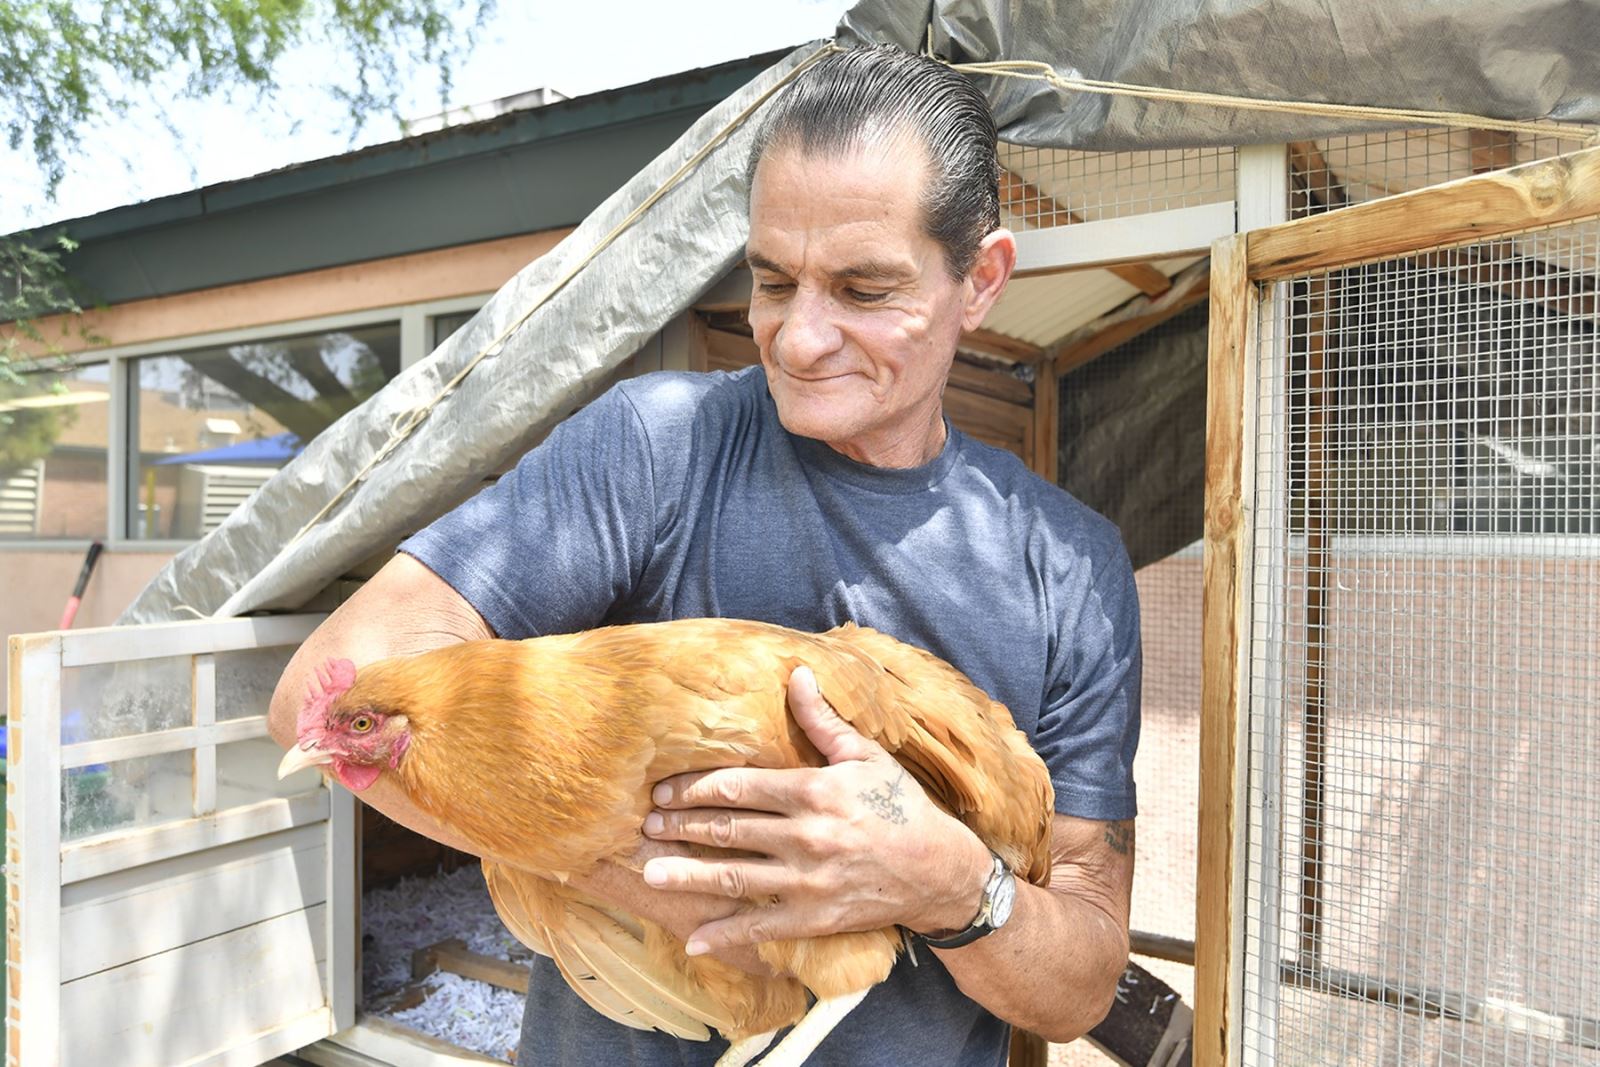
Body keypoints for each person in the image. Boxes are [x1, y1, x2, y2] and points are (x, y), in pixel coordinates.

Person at [270, 44, 1140, 1067]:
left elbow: (1078, 981)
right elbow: (318, 708)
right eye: (773, 280)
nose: (799, 338)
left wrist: (947, 885)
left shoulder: (1070, 564)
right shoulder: (659, 445)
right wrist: (659, 869)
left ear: (980, 280)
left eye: (863, 288)